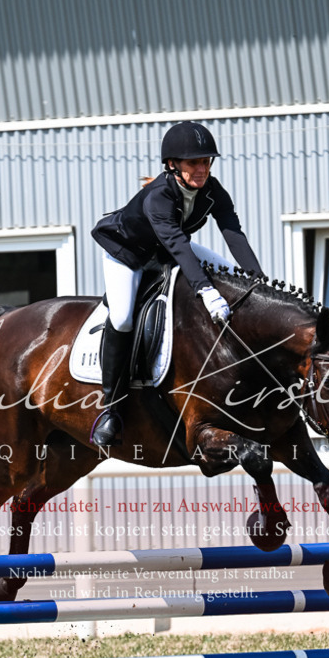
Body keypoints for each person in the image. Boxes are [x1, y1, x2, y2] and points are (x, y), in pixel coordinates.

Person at [90, 120, 265, 446]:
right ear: (173, 165)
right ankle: (110, 408)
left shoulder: (213, 189)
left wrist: (258, 281)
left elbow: (232, 232)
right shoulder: (158, 196)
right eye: (194, 162)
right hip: (127, 254)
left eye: (206, 161)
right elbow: (178, 246)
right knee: (123, 317)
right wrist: (205, 289)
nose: (202, 169)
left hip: (167, 249)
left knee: (234, 277)